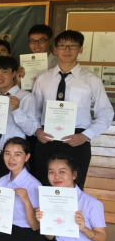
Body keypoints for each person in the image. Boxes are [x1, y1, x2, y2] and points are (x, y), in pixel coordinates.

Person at [33, 30, 114, 189]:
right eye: (62, 45)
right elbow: (34, 110)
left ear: (80, 49)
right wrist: (37, 131)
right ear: (56, 49)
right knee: (42, 187)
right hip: (46, 139)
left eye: (72, 46)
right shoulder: (43, 78)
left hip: (77, 140)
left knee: (73, 189)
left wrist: (86, 135)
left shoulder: (91, 80)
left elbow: (105, 112)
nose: (67, 50)